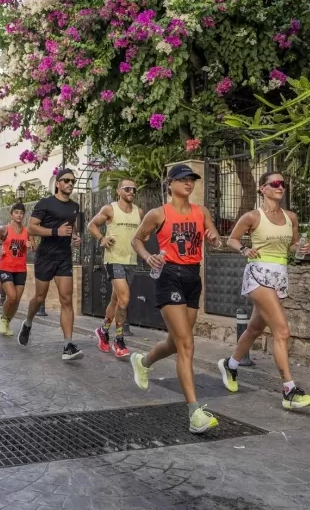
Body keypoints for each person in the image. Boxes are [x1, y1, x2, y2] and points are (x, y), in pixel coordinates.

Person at [129, 164, 222, 434]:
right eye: (183, 180)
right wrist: (148, 256)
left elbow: (215, 239)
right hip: (169, 275)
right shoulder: (158, 213)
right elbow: (138, 240)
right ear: (170, 184)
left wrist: (214, 238)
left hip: (193, 277)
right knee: (186, 344)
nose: (189, 184)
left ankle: (143, 362)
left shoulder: (200, 212)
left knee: (175, 342)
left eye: (192, 180)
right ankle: (195, 413)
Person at [219, 171, 310, 410]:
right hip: (258, 274)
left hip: (280, 275)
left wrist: (302, 248)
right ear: (263, 189)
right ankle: (289, 391)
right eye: (275, 183)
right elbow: (231, 239)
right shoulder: (253, 216)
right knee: (282, 331)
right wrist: (244, 250)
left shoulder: (291, 217)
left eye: (283, 183)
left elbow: (293, 245)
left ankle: (230, 365)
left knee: (254, 328)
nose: (280, 187)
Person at [21, 169, 83, 360]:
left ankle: (68, 345)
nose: (70, 184)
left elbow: (71, 228)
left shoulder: (74, 206)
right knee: (40, 297)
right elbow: (31, 227)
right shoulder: (45, 203)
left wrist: (74, 237)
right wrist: (56, 232)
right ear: (57, 183)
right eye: (66, 180)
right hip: (45, 256)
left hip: (64, 256)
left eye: (72, 181)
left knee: (66, 299)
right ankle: (28, 322)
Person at [87, 178, 144, 358]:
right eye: (127, 189)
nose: (131, 192)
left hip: (131, 261)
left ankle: (103, 331)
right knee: (125, 299)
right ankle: (119, 340)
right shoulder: (110, 209)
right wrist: (102, 239)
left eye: (134, 189)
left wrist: (145, 236)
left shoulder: (139, 212)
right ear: (119, 191)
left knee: (116, 300)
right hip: (113, 259)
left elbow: (144, 234)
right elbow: (91, 225)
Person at [0, 203, 31, 336]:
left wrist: (30, 245)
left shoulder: (27, 231)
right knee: (12, 297)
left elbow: (34, 247)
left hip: (21, 269)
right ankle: (3, 318)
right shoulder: (5, 229)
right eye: (16, 212)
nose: (19, 215)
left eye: (21, 213)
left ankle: (7, 321)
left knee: (17, 300)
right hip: (6, 267)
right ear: (11, 214)